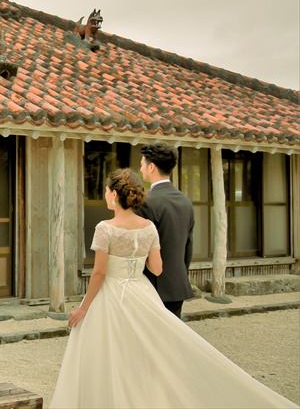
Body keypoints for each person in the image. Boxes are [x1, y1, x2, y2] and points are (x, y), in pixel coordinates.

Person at [50, 169, 296, 408]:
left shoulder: (105, 228)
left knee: (108, 353)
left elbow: (100, 272)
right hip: (141, 293)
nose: (104, 195)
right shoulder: (148, 227)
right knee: (144, 352)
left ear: (114, 195)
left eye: (105, 190)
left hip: (111, 295)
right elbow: (157, 269)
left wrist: (83, 308)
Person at [136, 142, 194, 318]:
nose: (141, 168)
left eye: (142, 164)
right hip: (178, 284)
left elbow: (139, 248)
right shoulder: (186, 202)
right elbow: (188, 248)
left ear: (151, 166)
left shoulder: (146, 202)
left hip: (152, 285)